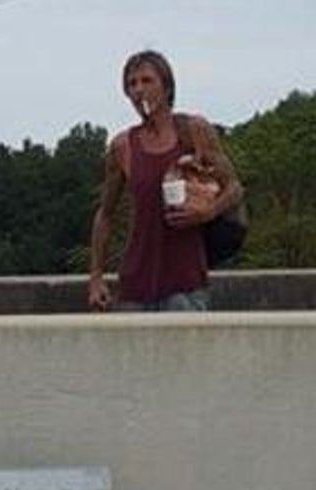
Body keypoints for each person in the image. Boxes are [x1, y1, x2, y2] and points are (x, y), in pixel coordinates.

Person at [87, 50, 243, 312]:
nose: (139, 90)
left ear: (167, 87)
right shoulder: (122, 146)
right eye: (132, 84)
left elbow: (234, 188)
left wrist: (208, 211)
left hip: (186, 281)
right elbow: (104, 214)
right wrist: (96, 277)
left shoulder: (194, 130)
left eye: (147, 81)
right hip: (136, 284)